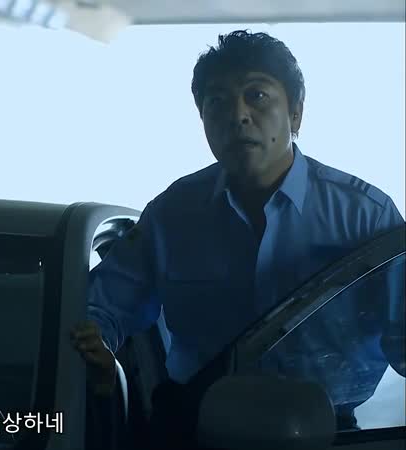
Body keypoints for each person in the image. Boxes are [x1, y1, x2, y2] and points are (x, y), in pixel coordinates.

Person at [71, 30, 404, 429]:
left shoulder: (365, 216)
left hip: (328, 432)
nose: (237, 115)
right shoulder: (172, 214)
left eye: (257, 95)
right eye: (217, 102)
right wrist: (98, 347)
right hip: (196, 428)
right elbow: (102, 307)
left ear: (296, 113)